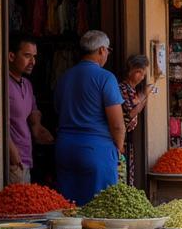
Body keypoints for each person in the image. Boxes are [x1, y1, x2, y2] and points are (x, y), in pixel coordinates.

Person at [53, 30, 125, 207]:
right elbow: (117, 124)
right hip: (96, 150)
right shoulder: (106, 78)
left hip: (64, 148)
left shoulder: (64, 77)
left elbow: (57, 110)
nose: (107, 53)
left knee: (69, 210)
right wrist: (118, 149)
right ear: (101, 50)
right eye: (108, 50)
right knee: (100, 210)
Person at [7, 32, 52, 184]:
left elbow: (33, 110)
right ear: (11, 56)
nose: (33, 61)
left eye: (34, 56)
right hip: (13, 160)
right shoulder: (3, 84)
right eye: (27, 56)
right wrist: (11, 149)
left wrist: (37, 126)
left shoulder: (27, 84)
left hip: (27, 155)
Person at [119, 54, 155, 186]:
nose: (142, 76)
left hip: (129, 139)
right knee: (121, 176)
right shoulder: (122, 88)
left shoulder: (133, 90)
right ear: (130, 70)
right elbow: (131, 113)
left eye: (143, 73)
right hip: (120, 140)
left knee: (128, 176)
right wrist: (145, 95)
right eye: (139, 72)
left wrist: (144, 96)